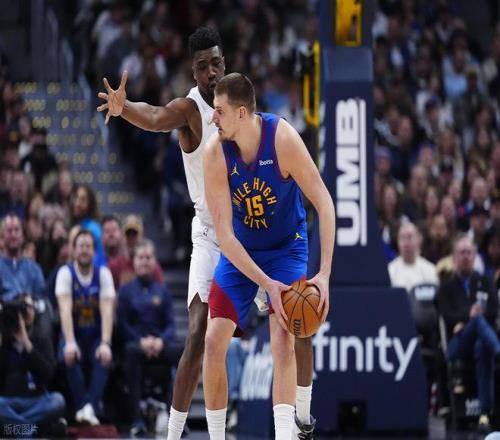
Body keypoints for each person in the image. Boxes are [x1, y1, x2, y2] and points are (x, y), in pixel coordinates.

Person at [98, 26, 319, 439]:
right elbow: (155, 116)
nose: (212, 71)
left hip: (252, 231)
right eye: (203, 66)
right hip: (212, 235)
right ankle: (174, 433)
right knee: (199, 333)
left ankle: (302, 418)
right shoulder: (190, 110)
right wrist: (124, 108)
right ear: (193, 70)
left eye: (216, 62)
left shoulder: (237, 106)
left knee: (298, 320)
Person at [202, 73, 335, 439]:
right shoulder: (215, 151)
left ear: (241, 113)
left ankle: (286, 433)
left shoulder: (282, 139)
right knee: (213, 341)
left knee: (283, 335)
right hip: (241, 251)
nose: (213, 118)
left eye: (219, 110)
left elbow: (324, 203)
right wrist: (266, 285)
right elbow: (225, 236)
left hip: (286, 248)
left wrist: (324, 273)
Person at [118, 239, 183, 436]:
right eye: (141, 257)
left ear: (154, 262)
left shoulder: (162, 291)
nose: (145, 261)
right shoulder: (126, 291)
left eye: (148, 257)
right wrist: (141, 341)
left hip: (159, 345)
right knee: (130, 351)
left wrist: (161, 341)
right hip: (137, 346)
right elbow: (123, 325)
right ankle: (137, 419)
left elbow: (171, 325)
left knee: (182, 351)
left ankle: (177, 417)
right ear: (134, 262)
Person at [436, 234, 500, 432]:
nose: (466, 256)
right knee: (478, 320)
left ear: (475, 256)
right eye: (462, 252)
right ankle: (499, 350)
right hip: (457, 344)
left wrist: (463, 320)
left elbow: (493, 310)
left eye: (469, 252)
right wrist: (469, 316)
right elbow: (447, 316)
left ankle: (484, 415)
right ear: (454, 257)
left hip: (480, 341)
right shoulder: (445, 287)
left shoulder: (485, 281)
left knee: (482, 347)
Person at [55, 229, 115, 425]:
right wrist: (70, 342)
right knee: (69, 354)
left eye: (88, 246)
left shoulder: (103, 273)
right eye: (80, 246)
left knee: (104, 356)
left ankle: (86, 410)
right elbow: (64, 310)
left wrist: (105, 343)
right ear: (73, 250)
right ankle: (87, 407)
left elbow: (107, 311)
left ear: (94, 252)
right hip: (74, 334)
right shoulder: (65, 273)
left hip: (96, 335)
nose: (84, 250)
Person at [0, 294, 66, 436]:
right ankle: (32, 429)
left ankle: (14, 429)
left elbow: (48, 375)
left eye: (30, 306)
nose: (28, 311)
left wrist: (26, 344)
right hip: (9, 401)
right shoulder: (4, 340)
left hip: (36, 400)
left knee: (58, 400)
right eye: (23, 307)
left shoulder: (42, 339)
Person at [0, 215, 45, 301]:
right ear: (1, 238)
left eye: (17, 230)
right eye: (9, 231)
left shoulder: (34, 269)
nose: (13, 235)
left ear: (23, 236)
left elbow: (41, 298)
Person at [388, 222, 438, 292]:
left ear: (418, 240)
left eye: (409, 237)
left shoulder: (430, 270)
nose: (405, 243)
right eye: (402, 238)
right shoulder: (390, 270)